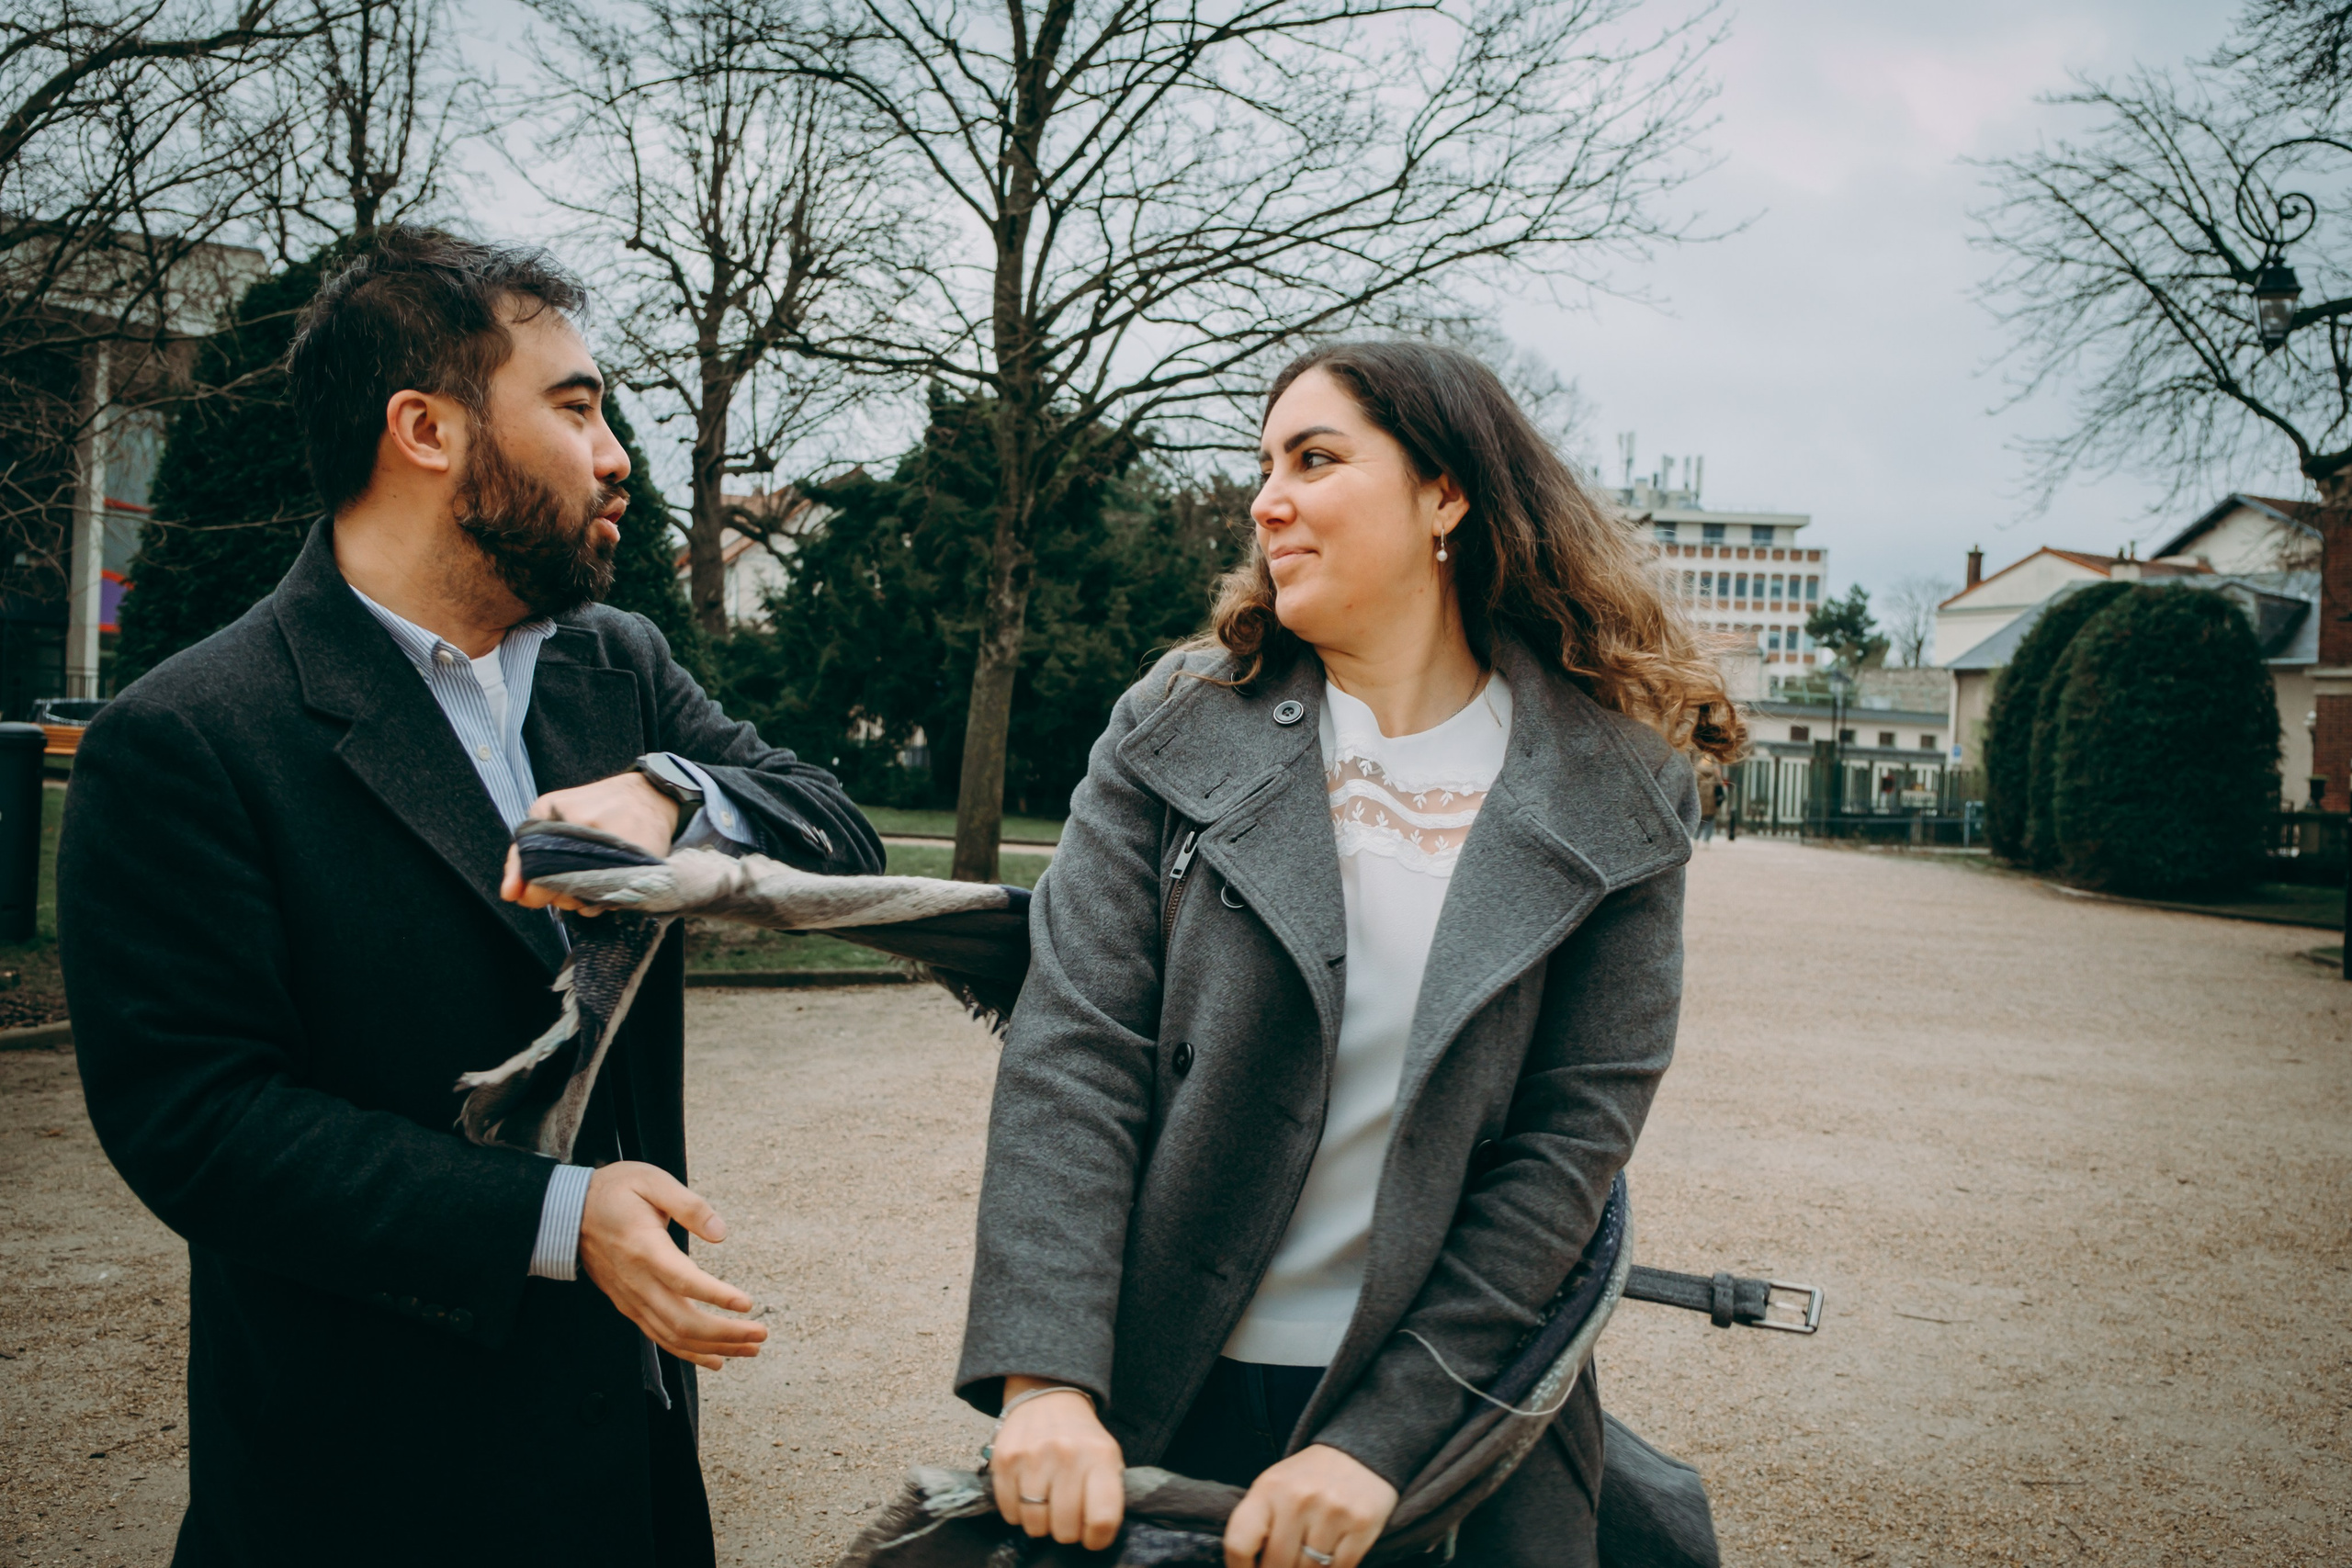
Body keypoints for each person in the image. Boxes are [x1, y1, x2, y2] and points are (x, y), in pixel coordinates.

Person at [59, 226, 882, 1567]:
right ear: (425, 429)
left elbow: (833, 831)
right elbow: (197, 1122)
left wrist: (673, 789)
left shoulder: (615, 667)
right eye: (575, 406)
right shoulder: (192, 734)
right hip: (358, 1493)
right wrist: (554, 1220)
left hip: (626, 1483)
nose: (616, 455)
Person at [957, 341, 1742, 1568]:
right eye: (1264, 464)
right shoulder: (1172, 723)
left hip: (1446, 1425)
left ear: (1446, 493)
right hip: (1159, 1397)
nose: (1267, 498)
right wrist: (1045, 1379)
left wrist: (1379, 1438)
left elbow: (1566, 1149)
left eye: (1315, 459)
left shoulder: (1620, 790)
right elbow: (1075, 1052)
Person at [1694, 753, 1723, 843]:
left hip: (1700, 800)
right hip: (1711, 801)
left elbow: (1694, 786)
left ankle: (1696, 838)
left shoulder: (1698, 771)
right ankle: (1706, 840)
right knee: (1710, 820)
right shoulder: (1714, 772)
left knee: (1699, 819)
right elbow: (1719, 785)